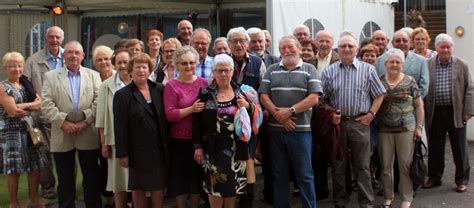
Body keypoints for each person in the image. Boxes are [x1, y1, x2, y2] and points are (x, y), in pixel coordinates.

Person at [321, 33, 386, 208]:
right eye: (343, 46)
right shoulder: (329, 71)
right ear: (338, 49)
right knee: (338, 165)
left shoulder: (368, 69)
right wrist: (331, 115)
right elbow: (322, 99)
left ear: (356, 49)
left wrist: (371, 114)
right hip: (338, 125)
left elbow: (380, 94)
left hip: (360, 123)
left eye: (350, 46)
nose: (347, 49)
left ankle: (366, 203)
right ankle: (340, 201)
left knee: (362, 166)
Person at [259, 35, 321, 208]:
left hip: (301, 133)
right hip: (276, 133)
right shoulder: (271, 70)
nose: (286, 51)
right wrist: (279, 115)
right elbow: (263, 96)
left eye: (290, 47)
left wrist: (290, 111)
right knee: (279, 175)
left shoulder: (310, 69)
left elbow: (314, 98)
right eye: (283, 48)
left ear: (299, 49)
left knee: (305, 175)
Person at [41, 41, 102, 208]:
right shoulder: (51, 76)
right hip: (62, 133)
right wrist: (63, 122)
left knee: (90, 175)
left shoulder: (94, 75)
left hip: (88, 131)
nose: (73, 56)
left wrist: (85, 120)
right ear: (64, 56)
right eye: (69, 52)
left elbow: (98, 101)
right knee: (65, 177)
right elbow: (46, 103)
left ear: (83, 56)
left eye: (77, 52)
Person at [193, 54, 256, 208]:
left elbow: (254, 118)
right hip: (213, 150)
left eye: (226, 70)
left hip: (236, 150)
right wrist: (198, 146)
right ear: (213, 72)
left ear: (232, 71)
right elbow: (196, 123)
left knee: (231, 192)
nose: (223, 74)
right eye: (219, 70)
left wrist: (248, 107)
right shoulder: (205, 93)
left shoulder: (241, 92)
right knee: (214, 192)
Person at [114, 52, 169, 208]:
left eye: (144, 67)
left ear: (150, 69)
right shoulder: (122, 95)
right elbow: (120, 126)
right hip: (136, 149)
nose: (141, 70)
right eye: (137, 67)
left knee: (157, 185)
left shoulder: (160, 89)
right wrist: (122, 153)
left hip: (158, 147)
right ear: (131, 70)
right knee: (138, 186)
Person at [423, 34, 474, 193]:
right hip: (435, 112)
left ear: (452, 48)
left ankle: (461, 180)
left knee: (459, 147)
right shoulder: (428, 64)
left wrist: (468, 111)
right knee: (435, 147)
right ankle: (434, 177)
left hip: (456, 112)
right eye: (442, 46)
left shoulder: (462, 65)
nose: (445, 49)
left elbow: (470, 89)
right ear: (436, 48)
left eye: (448, 47)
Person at [377, 48, 424, 208]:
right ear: (386, 64)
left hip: (407, 129)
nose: (395, 64)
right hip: (384, 130)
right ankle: (388, 198)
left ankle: (406, 198)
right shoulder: (379, 80)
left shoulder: (410, 81)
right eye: (392, 62)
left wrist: (419, 127)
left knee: (405, 165)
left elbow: (419, 105)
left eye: (398, 62)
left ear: (402, 65)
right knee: (386, 166)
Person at [163, 46, 208, 208]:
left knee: (196, 181)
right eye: (184, 63)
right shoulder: (171, 86)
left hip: (199, 141)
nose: (189, 66)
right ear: (176, 65)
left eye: (191, 62)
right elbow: (170, 114)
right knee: (180, 181)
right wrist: (191, 109)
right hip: (179, 141)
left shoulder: (204, 83)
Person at [1, 52, 47, 208]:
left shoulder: (25, 83)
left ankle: (34, 200)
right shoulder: (2, 86)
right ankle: (14, 203)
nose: (17, 68)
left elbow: (39, 103)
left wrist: (21, 106)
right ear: (5, 68)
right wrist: (30, 106)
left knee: (35, 166)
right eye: (12, 65)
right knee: (14, 169)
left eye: (19, 65)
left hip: (30, 130)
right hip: (12, 133)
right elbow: (12, 111)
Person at [23, 26, 65, 199]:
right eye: (51, 37)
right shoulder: (33, 60)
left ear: (62, 39)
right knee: (44, 155)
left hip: (64, 117)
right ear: (45, 39)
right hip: (41, 117)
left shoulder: (70, 56)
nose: (54, 40)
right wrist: (35, 102)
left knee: (65, 154)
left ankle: (66, 186)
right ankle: (48, 189)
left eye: (57, 37)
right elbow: (26, 83)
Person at [227, 26, 266, 207]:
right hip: (227, 118)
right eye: (234, 41)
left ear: (247, 43)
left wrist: (250, 106)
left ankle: (247, 198)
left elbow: (264, 91)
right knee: (231, 157)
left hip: (250, 120)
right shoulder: (223, 62)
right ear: (228, 44)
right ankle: (231, 195)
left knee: (249, 156)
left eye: (242, 40)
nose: (238, 44)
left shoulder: (258, 63)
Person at [95, 49, 131, 208]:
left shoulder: (141, 81)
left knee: (138, 181)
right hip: (115, 141)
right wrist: (104, 143)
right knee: (118, 181)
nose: (123, 66)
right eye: (119, 63)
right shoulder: (106, 86)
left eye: (126, 62)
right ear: (114, 65)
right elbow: (101, 118)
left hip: (140, 141)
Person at [376, 30, 429, 98]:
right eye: (398, 41)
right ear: (392, 43)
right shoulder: (380, 60)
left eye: (405, 40)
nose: (401, 43)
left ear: (410, 42)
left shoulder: (421, 61)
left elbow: (424, 88)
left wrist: (408, 104)